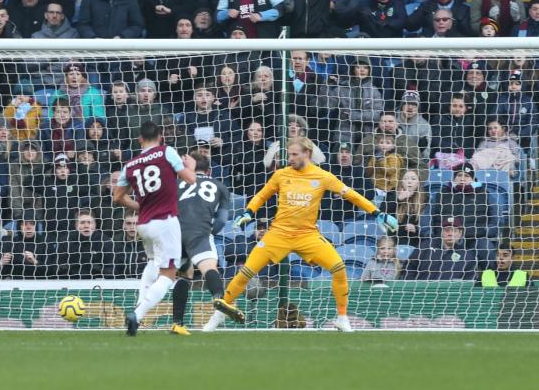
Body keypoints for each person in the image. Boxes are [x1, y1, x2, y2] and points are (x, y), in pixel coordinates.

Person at [206, 137, 398, 332]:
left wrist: (377, 213)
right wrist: (248, 212)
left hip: (307, 236)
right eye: (289, 154)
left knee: (339, 268)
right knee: (246, 272)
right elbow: (262, 195)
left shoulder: (322, 176)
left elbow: (352, 195)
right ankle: (219, 315)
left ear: (307, 154)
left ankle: (342, 317)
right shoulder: (281, 175)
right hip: (278, 234)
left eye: (294, 154)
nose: (290, 158)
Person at [112, 120, 197, 336]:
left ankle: (137, 313)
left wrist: (139, 206)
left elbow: (117, 197)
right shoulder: (166, 152)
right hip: (166, 221)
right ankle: (138, 314)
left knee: (152, 263)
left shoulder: (130, 165)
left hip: (144, 224)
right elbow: (191, 180)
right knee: (169, 274)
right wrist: (191, 167)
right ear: (160, 137)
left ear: (139, 139)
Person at [169, 151, 233, 334]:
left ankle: (178, 323)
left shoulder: (176, 183)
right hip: (200, 232)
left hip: (176, 231)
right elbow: (221, 219)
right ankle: (219, 299)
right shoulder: (219, 186)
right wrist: (208, 233)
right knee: (209, 268)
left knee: (183, 275)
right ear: (209, 170)